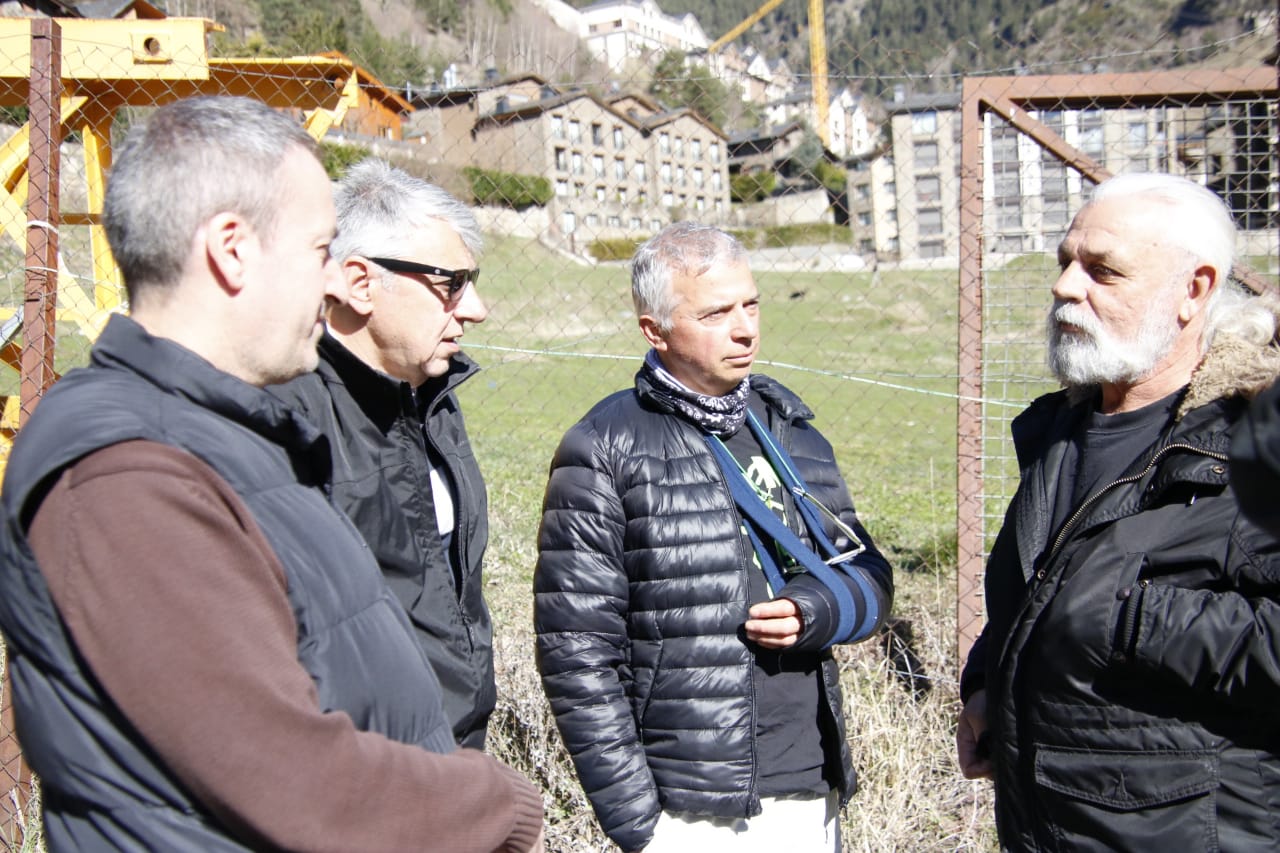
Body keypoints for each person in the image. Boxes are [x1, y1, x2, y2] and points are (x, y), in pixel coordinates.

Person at [0, 96, 542, 852]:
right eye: (320, 250)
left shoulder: (238, 433)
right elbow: (289, 777)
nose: (332, 282)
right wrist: (495, 803)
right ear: (232, 250)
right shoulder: (127, 475)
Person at [534, 222, 894, 852]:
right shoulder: (605, 447)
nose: (745, 329)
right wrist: (641, 826)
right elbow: (576, 651)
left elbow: (869, 576)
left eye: (751, 304)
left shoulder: (790, 427)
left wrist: (818, 609)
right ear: (656, 331)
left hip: (810, 784)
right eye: (716, 313)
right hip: (691, 810)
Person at [956, 172, 1280, 851]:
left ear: (1193, 290)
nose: (1067, 287)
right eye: (1066, 262)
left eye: (1104, 271)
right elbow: (1044, 591)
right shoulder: (1057, 432)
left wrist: (1132, 615)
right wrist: (988, 680)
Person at [271, 159, 495, 748]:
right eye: (451, 283)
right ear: (360, 282)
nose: (475, 309)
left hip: (453, 752)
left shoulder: (431, 397)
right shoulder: (286, 420)